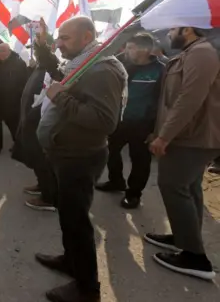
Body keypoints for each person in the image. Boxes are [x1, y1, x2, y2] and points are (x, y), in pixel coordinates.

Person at [35, 16, 127, 302]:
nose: (59, 44)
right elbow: (61, 74)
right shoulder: (82, 63)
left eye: (65, 39)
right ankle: (70, 260)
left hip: (80, 157)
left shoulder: (101, 70)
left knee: (77, 221)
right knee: (68, 214)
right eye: (58, 38)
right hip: (67, 155)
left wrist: (60, 98)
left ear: (87, 38)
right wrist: (42, 48)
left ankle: (87, 289)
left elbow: (104, 120)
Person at [144, 27, 220, 281]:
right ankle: (184, 237)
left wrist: (165, 136)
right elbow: (169, 100)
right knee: (189, 187)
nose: (168, 35)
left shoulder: (202, 53)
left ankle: (195, 257)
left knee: (173, 185)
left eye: (173, 29)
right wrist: (159, 131)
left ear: (186, 29)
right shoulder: (191, 53)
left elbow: (190, 98)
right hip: (187, 135)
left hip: (192, 137)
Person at [96, 32, 165, 209]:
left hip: (143, 125)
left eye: (131, 48)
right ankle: (116, 181)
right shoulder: (121, 64)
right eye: (127, 47)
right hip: (119, 120)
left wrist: (156, 131)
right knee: (109, 150)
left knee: (140, 160)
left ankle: (133, 194)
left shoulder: (160, 71)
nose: (127, 51)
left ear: (146, 50)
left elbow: (164, 102)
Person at [21, 28, 63, 212]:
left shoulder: (55, 66)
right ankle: (42, 185)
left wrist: (42, 47)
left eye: (37, 50)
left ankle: (49, 197)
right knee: (36, 159)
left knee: (43, 159)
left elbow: (53, 70)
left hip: (44, 120)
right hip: (33, 117)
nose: (35, 52)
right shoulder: (39, 66)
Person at [0, 43, 28, 156]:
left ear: (9, 51)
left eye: (4, 51)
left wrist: (18, 96)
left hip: (12, 102)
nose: (1, 53)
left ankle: (19, 146)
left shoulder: (18, 63)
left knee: (14, 126)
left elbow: (24, 82)